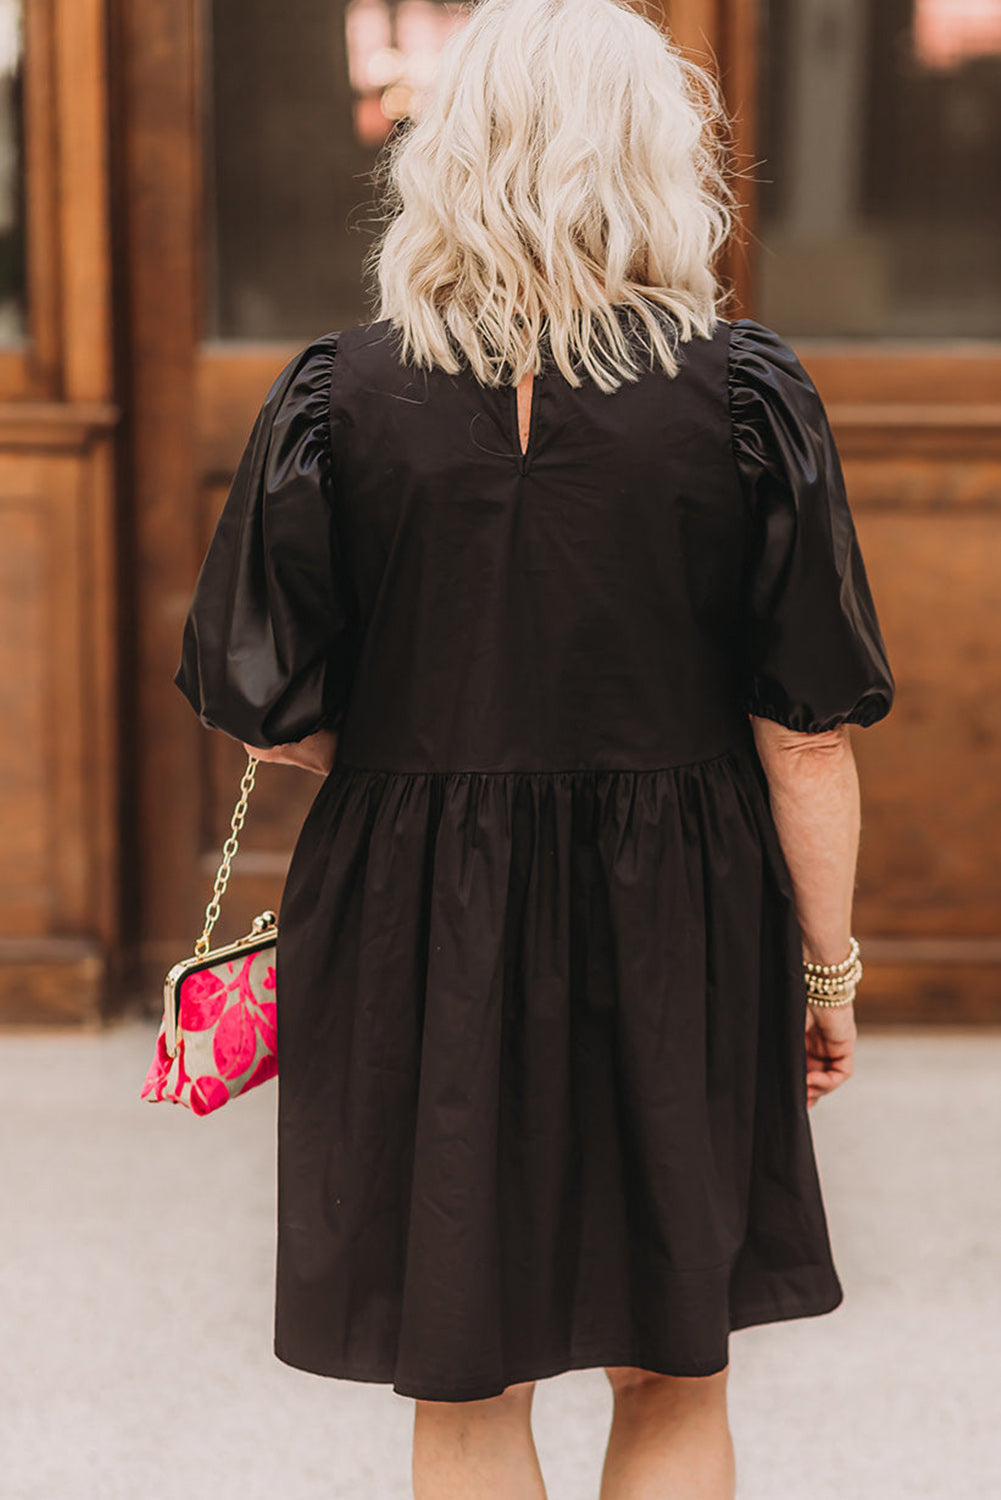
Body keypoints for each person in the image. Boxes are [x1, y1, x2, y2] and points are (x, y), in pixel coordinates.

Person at [172, 0, 894, 1494]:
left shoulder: (334, 398)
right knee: (671, 1366)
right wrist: (822, 970)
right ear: (656, 158)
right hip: (677, 914)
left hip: (410, 918)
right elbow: (804, 739)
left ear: (450, 154)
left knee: (464, 1379)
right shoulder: (742, 399)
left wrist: (435, 740)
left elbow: (274, 707)